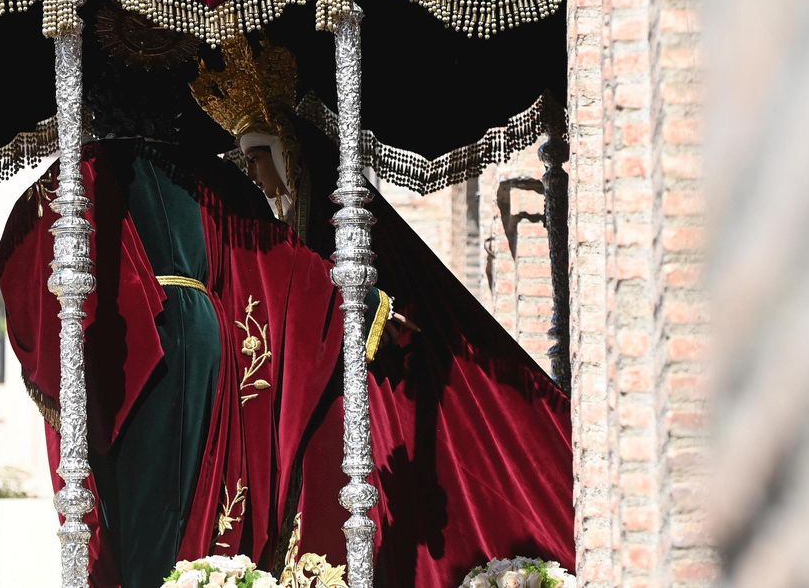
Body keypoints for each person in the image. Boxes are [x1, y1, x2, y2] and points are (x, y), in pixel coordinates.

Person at [0, 16, 392, 587]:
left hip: (129, 346)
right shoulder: (210, 179)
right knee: (191, 502)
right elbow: (281, 261)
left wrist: (60, 360)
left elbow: (29, 259)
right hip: (207, 336)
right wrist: (363, 301)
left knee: (135, 513)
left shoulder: (80, 175)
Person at [191, 37, 576, 586]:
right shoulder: (275, 225)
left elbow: (339, 287)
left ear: (283, 153)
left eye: (256, 158)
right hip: (305, 390)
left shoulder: (328, 218)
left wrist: (372, 310)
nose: (252, 174)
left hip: (354, 390)